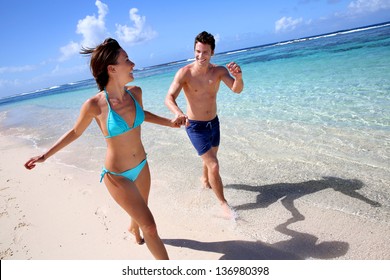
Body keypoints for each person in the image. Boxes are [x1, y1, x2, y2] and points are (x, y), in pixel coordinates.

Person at [24, 38, 177, 260]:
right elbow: (76, 132)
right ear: (112, 69)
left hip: (142, 166)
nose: (133, 64)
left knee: (141, 209)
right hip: (117, 176)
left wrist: (170, 122)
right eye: (127, 60)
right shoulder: (95, 105)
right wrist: (45, 156)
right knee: (151, 227)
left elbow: (142, 116)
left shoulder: (136, 93)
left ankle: (133, 228)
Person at [165, 31, 244, 218]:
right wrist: (178, 113)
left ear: (212, 53)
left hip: (213, 124)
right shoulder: (185, 73)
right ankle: (223, 204)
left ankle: (205, 180)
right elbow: (169, 97)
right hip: (195, 127)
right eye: (197, 52)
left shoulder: (219, 71)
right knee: (214, 165)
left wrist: (239, 78)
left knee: (211, 158)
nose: (201, 56)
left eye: (205, 52)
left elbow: (236, 90)